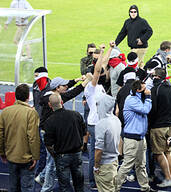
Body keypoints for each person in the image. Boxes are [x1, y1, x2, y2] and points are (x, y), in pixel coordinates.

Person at [37, 75, 91, 191]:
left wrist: (75, 80)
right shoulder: (54, 99)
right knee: (53, 162)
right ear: (57, 88)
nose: (67, 86)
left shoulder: (48, 94)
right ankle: (45, 188)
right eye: (64, 85)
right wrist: (86, 81)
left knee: (52, 161)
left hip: (48, 130)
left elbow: (67, 90)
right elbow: (71, 93)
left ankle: (42, 177)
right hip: (50, 133)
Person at [0, 84, 40, 192]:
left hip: (11, 155)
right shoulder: (31, 113)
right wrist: (35, 156)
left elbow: (1, 135)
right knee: (27, 188)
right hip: (26, 158)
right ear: (28, 96)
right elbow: (33, 137)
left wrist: (2, 152)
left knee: (13, 186)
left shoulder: (5, 112)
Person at [114, 80, 152, 192]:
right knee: (126, 166)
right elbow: (145, 110)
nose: (147, 91)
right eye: (144, 89)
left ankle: (145, 188)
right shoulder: (131, 100)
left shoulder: (138, 98)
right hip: (132, 138)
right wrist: (149, 97)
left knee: (141, 165)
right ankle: (115, 188)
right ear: (138, 90)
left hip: (140, 138)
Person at [84, 42, 113, 189]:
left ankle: (96, 178)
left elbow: (103, 64)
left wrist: (110, 49)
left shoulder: (99, 87)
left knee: (98, 151)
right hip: (95, 124)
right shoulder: (91, 88)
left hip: (98, 123)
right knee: (96, 153)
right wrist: (101, 52)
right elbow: (97, 70)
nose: (102, 72)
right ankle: (93, 180)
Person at [44, 94, 86, 191]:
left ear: (50, 105)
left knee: (64, 186)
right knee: (79, 184)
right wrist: (81, 147)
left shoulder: (49, 121)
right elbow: (84, 132)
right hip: (76, 153)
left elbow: (48, 144)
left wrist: (55, 155)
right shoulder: (76, 115)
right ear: (62, 102)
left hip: (62, 155)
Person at [148, 68, 171, 188]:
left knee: (159, 153)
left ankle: (168, 178)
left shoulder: (155, 90)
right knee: (168, 151)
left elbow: (152, 109)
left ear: (156, 77)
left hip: (159, 126)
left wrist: (150, 124)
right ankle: (169, 176)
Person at [94, 94, 121, 191]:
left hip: (104, 165)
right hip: (114, 161)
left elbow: (99, 150)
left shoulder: (101, 124)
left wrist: (96, 166)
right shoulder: (116, 120)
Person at [32, 67, 50, 184]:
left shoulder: (50, 87)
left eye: (36, 75)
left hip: (46, 122)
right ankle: (41, 173)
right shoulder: (35, 85)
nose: (35, 77)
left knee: (44, 150)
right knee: (41, 149)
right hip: (37, 120)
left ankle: (41, 174)